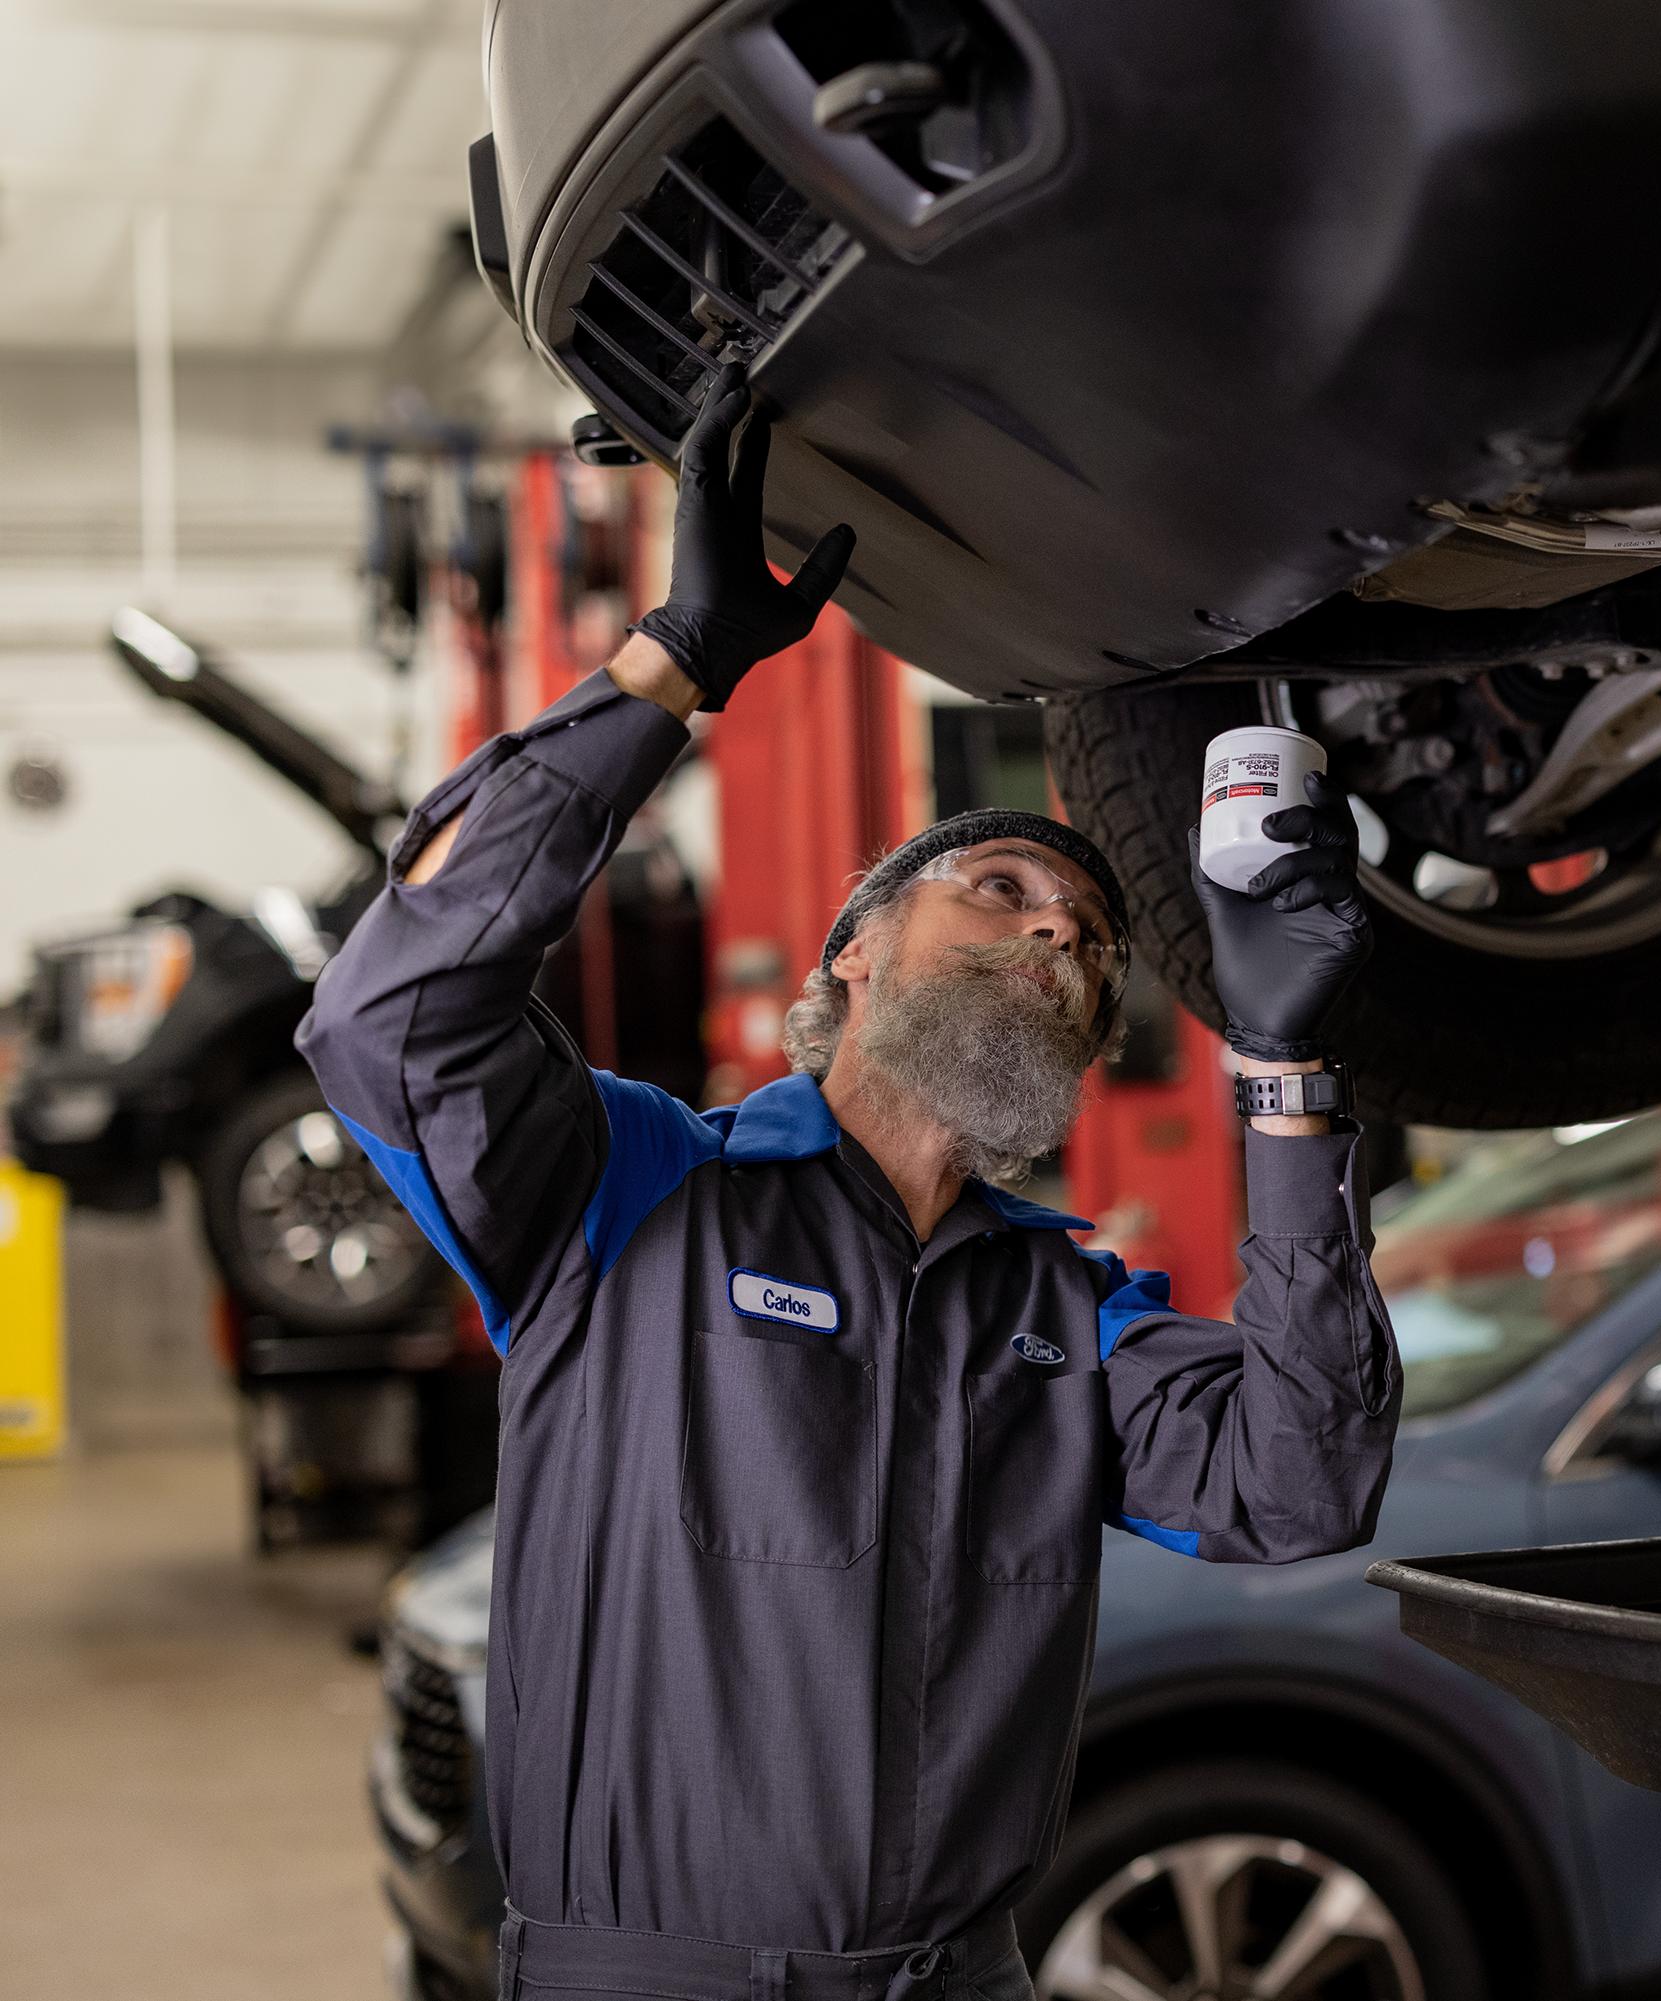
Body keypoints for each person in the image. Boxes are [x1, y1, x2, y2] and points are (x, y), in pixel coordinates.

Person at [295, 362, 1400, 2001]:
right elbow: (386, 1011)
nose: (1055, 934)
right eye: (1003, 887)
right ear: (853, 956)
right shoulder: (631, 1192)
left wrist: (1291, 1076)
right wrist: (672, 668)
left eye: (1091, 945)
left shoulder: (1063, 1309)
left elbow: (1300, 1485)